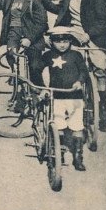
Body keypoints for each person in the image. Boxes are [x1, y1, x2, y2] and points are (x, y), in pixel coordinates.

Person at [47, 0, 106, 132]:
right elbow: (60, 12)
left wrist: (88, 34)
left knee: (99, 70)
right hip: (75, 38)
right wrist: (42, 0)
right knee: (65, 65)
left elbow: (105, 21)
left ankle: (103, 108)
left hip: (94, 40)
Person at [41, 27, 90, 171]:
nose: (62, 45)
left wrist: (79, 82)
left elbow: (84, 71)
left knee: (77, 126)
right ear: (52, 42)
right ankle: (59, 153)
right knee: (59, 125)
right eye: (58, 42)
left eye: (65, 41)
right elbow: (37, 69)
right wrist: (43, 88)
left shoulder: (76, 55)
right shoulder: (48, 55)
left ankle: (78, 157)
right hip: (56, 96)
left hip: (74, 96)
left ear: (70, 41)